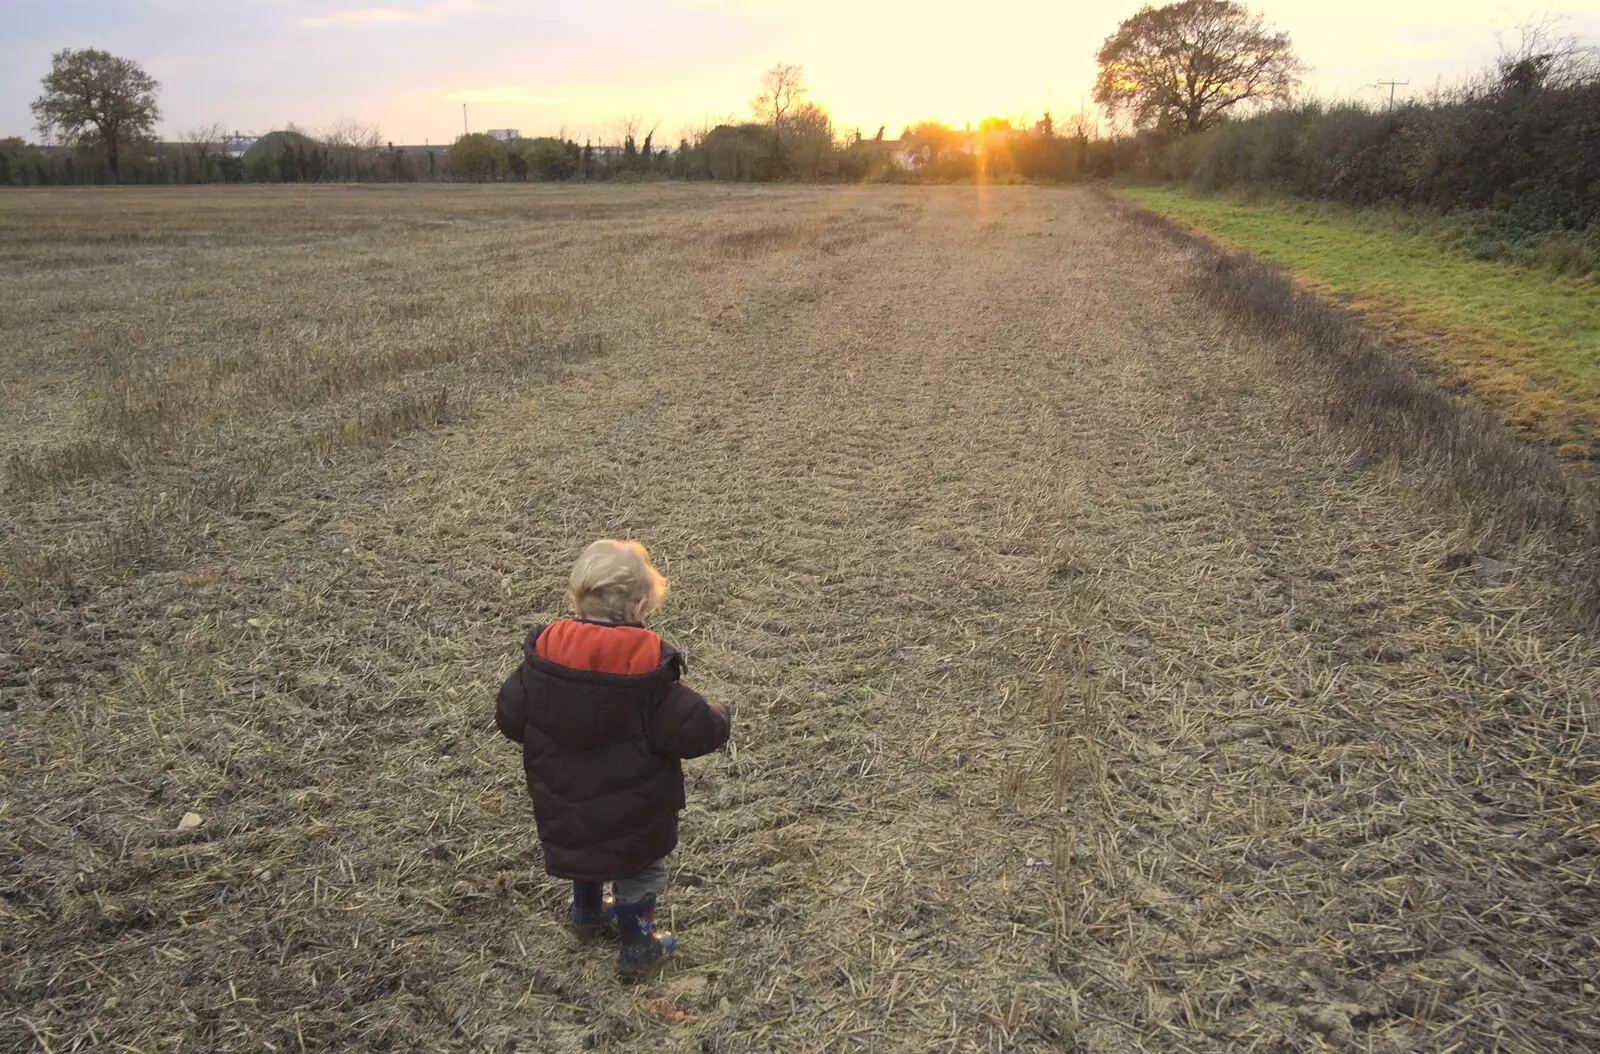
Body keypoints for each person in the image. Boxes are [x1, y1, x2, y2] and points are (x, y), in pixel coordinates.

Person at [494, 539, 731, 972]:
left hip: (564, 796)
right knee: (637, 868)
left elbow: (510, 716)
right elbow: (693, 730)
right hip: (634, 808)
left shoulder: (543, 660)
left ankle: (586, 914)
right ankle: (638, 945)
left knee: (588, 852)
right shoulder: (648, 674)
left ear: (579, 599)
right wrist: (719, 716)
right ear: (640, 607)